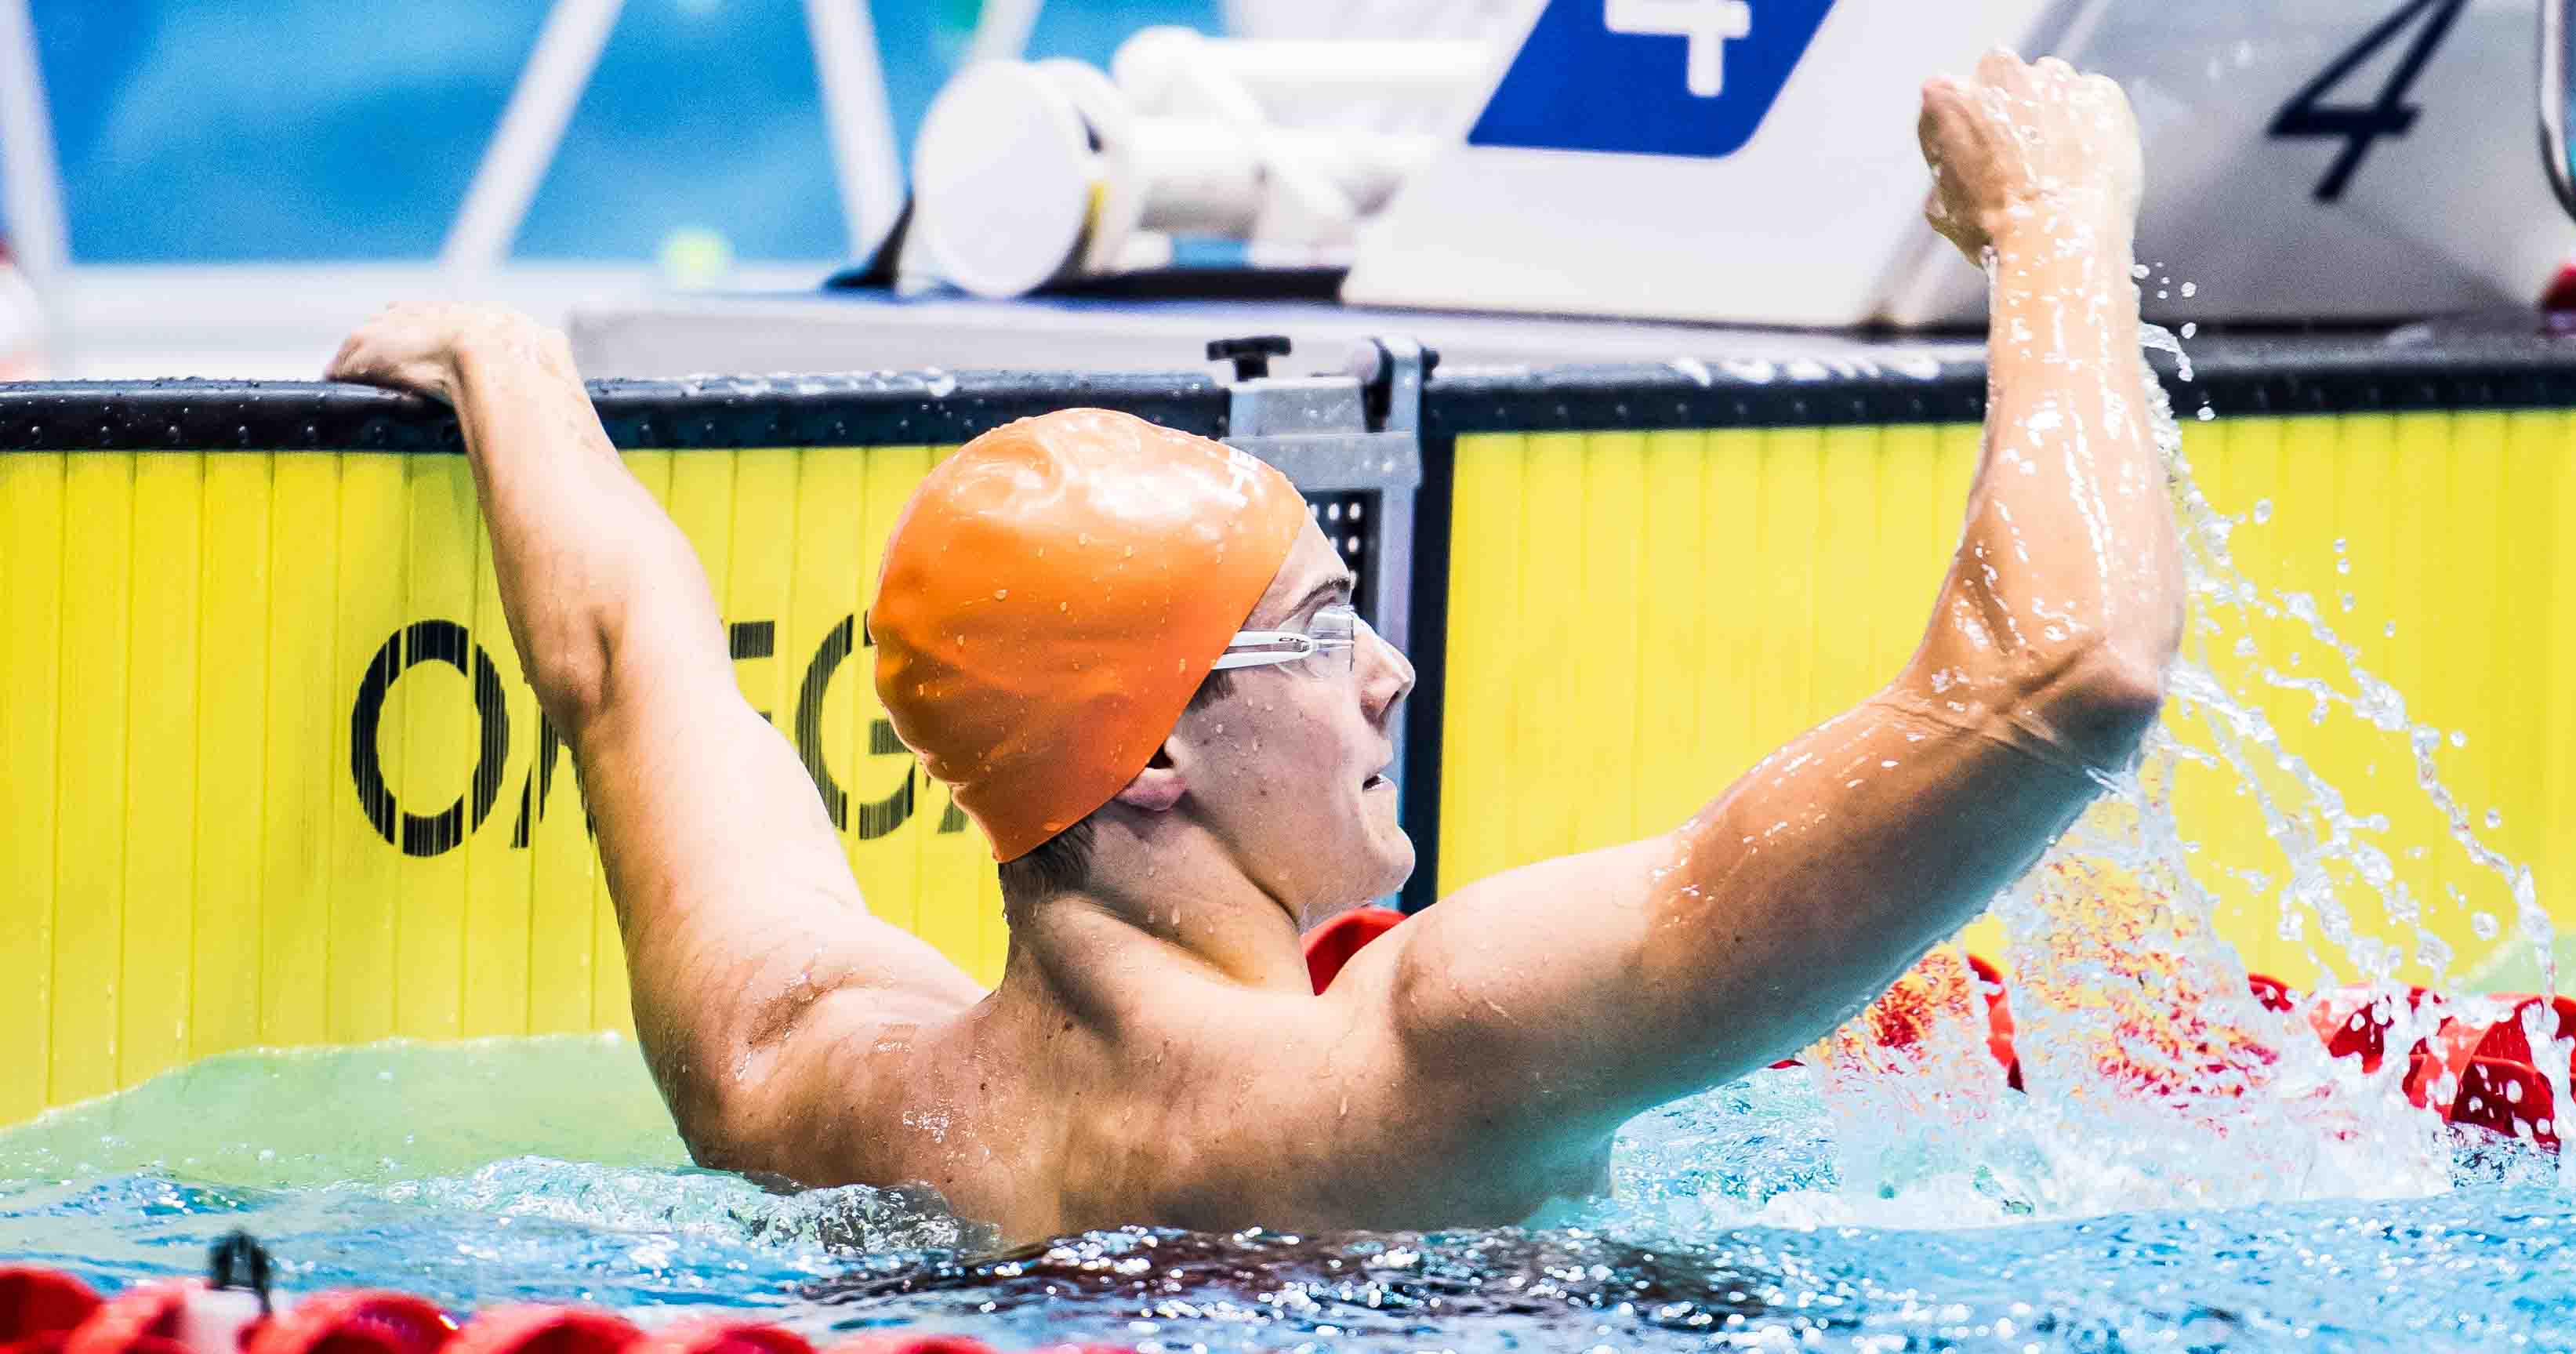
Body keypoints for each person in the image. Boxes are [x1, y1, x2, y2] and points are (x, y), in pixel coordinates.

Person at [328, 49, 2179, 1245]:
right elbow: (2057, 678)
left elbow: (623, 670)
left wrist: (504, 364)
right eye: (1318, 627)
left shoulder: (806, 1082)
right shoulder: (1432, 1066)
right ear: (1150, 751)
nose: (1389, 672)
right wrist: (2045, 222)